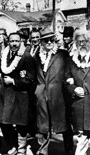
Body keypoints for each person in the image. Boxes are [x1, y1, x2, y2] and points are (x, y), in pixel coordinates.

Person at [34, 27, 73, 155]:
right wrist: (38, 91)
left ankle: (69, 150)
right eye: (46, 41)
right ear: (41, 42)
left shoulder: (62, 54)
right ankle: (43, 150)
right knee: (43, 125)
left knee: (64, 125)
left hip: (59, 95)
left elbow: (68, 73)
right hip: (42, 95)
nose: (49, 43)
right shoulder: (36, 57)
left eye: (51, 40)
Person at [0, 32, 35, 155]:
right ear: (8, 41)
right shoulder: (4, 55)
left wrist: (13, 81)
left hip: (20, 94)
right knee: (3, 121)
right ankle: (12, 144)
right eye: (12, 41)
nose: (14, 44)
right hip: (6, 94)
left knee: (20, 123)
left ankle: (22, 149)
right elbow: (1, 69)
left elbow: (30, 78)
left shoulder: (26, 57)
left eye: (17, 41)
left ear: (21, 42)